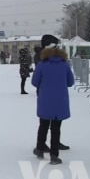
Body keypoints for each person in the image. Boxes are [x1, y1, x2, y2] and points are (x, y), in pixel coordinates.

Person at [31, 34, 74, 164]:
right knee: (56, 128)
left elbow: (34, 82)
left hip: (45, 100)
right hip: (60, 100)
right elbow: (70, 82)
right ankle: (54, 155)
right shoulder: (64, 64)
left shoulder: (42, 64)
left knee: (43, 125)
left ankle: (39, 148)